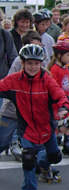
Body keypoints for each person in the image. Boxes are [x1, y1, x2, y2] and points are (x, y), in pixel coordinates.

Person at [0, 44, 69, 190]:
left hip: (46, 127)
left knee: (54, 156)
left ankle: (44, 165)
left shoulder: (47, 79)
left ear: (41, 64)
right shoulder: (14, 80)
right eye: (29, 63)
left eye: (36, 63)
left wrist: (64, 107)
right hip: (27, 129)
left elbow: (60, 95)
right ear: (22, 63)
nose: (33, 67)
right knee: (28, 157)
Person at [0, 31, 40, 159]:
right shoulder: (18, 62)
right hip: (12, 111)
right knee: (2, 141)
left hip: (30, 112)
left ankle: (38, 168)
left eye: (38, 47)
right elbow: (7, 82)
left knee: (32, 147)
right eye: (32, 46)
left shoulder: (41, 64)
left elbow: (51, 87)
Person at [47, 41, 69, 157]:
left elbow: (66, 86)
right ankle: (62, 141)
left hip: (65, 101)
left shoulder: (65, 69)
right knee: (59, 123)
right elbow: (54, 88)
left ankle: (66, 141)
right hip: (58, 103)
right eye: (68, 55)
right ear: (60, 55)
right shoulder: (55, 70)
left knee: (68, 121)